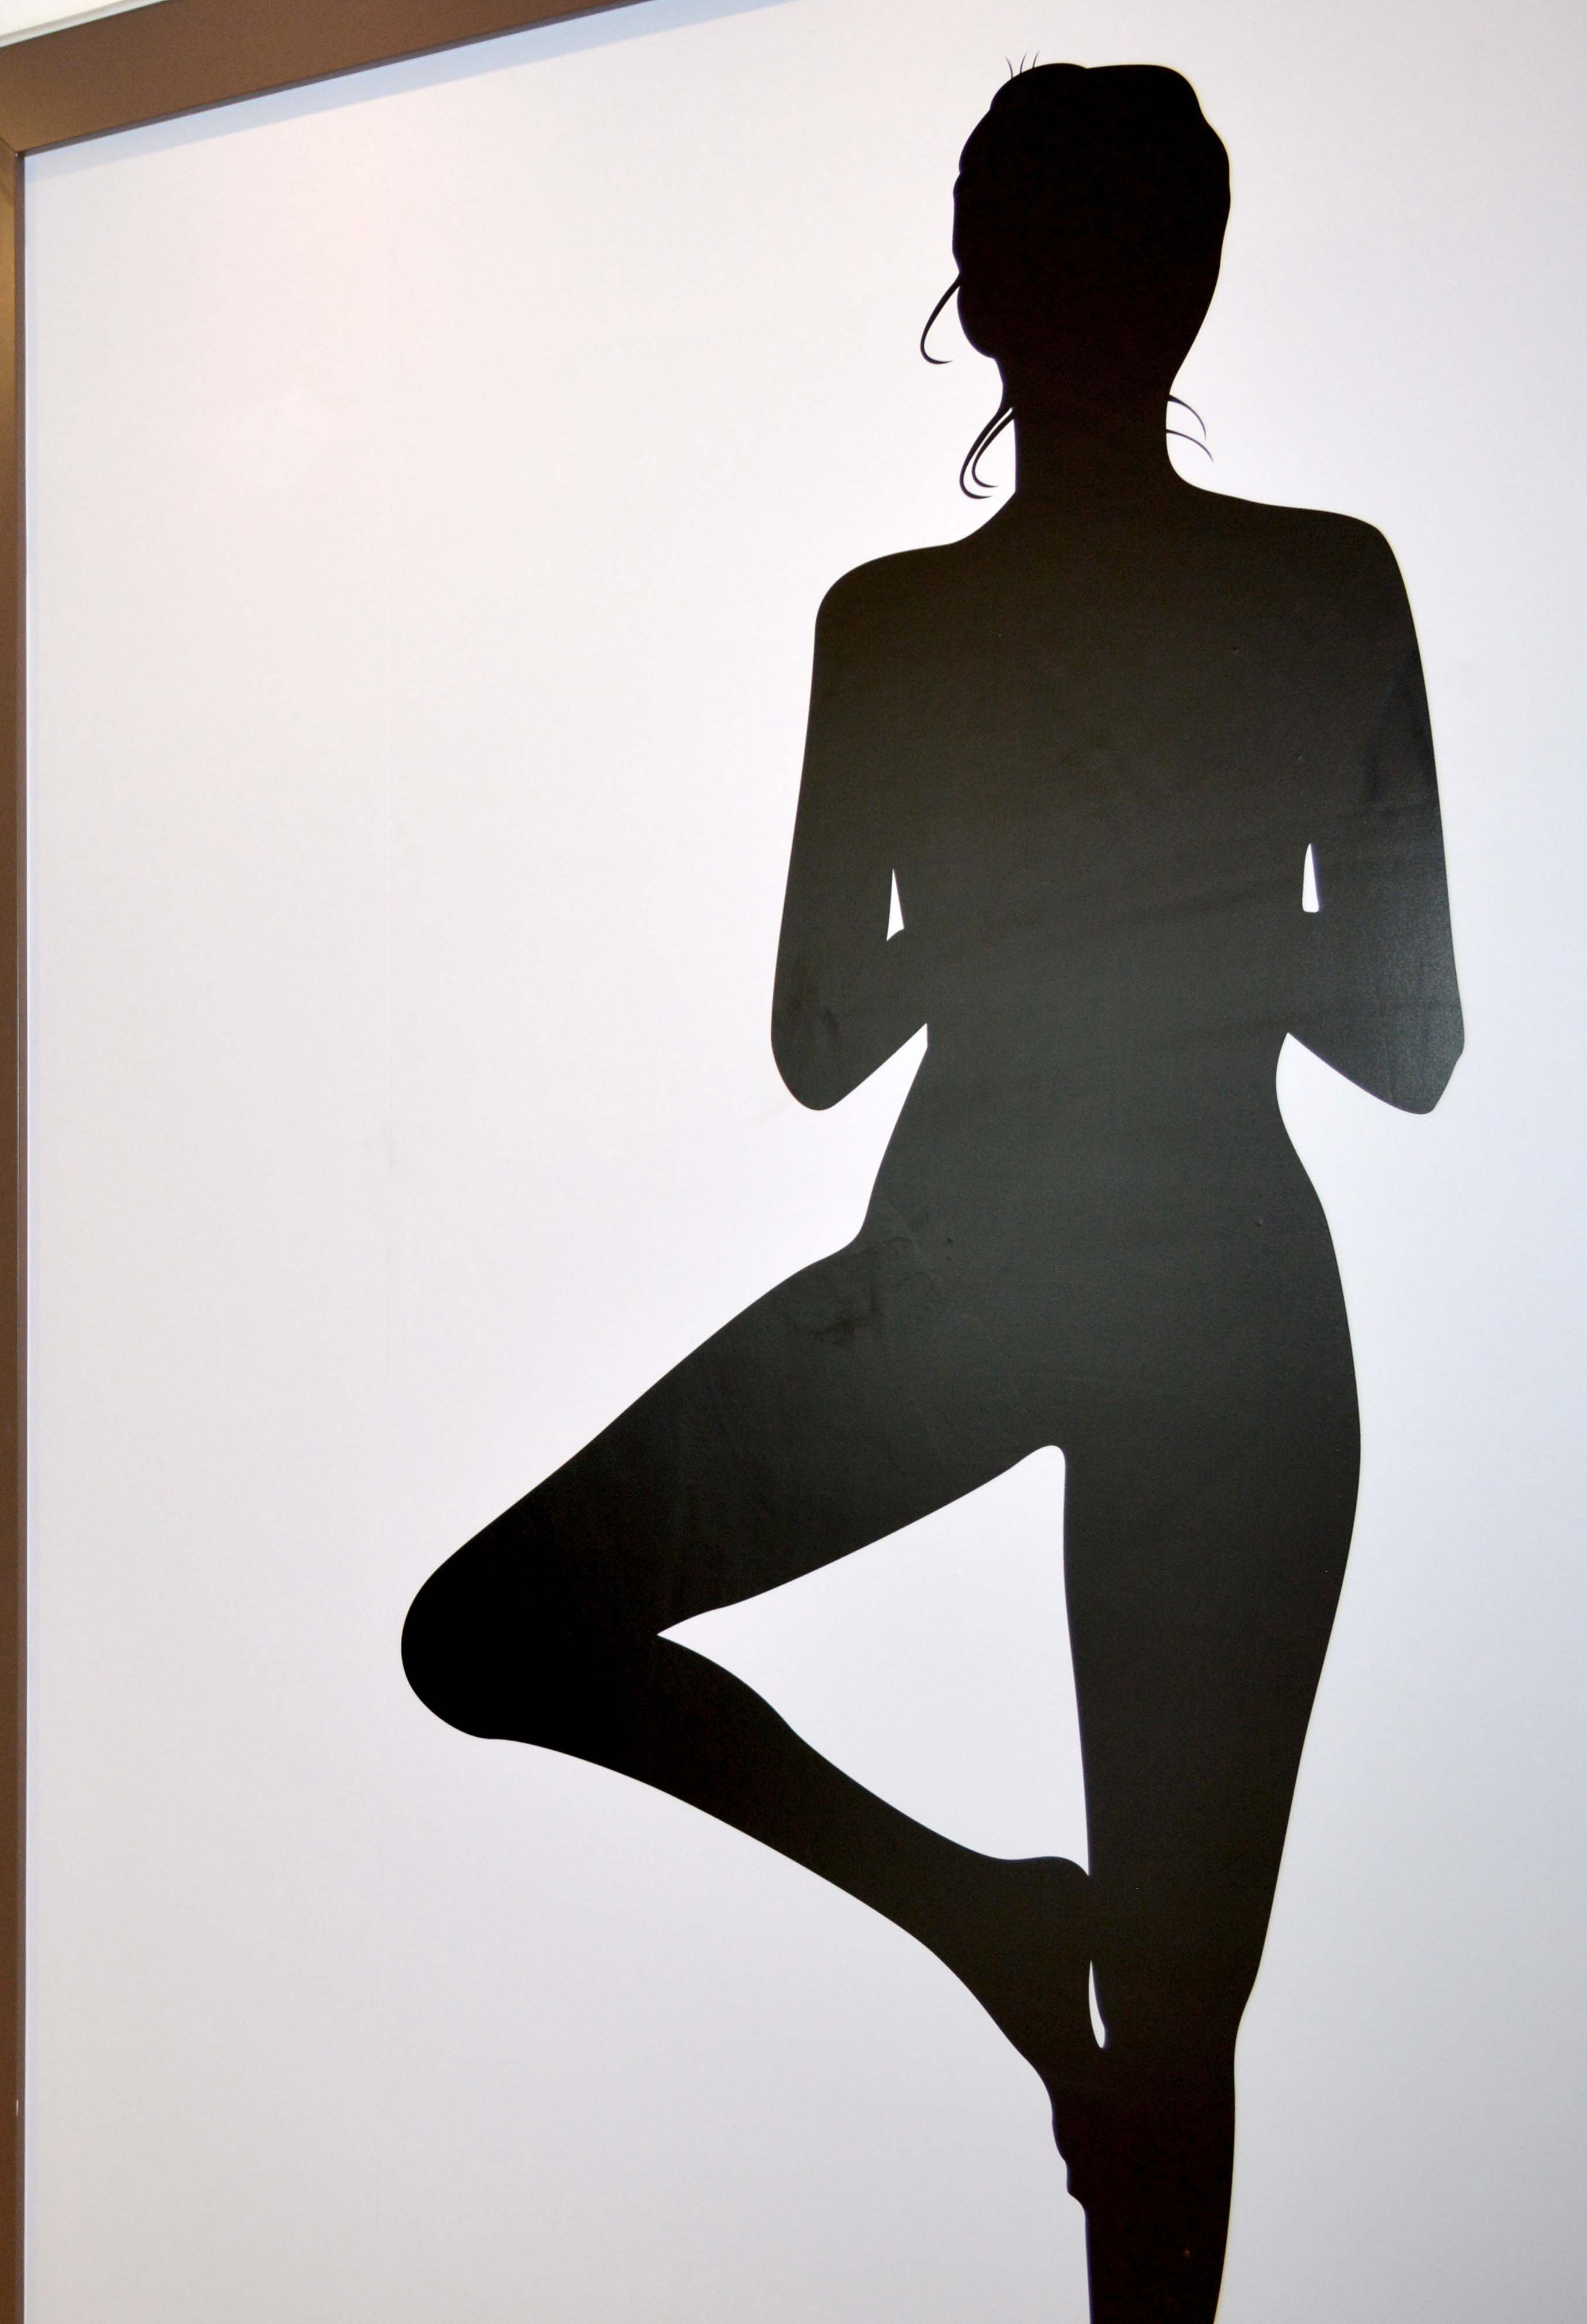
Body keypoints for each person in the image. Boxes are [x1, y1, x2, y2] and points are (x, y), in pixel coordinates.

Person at [400, 63, 1460, 2324]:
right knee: (483, 1631)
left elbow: (1414, 1045)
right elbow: (825, 1039)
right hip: (1001, 1283)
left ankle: (994, 1923)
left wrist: (1095, 926)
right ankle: (981, 1909)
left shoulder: (1277, 586)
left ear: (981, 293)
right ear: (1175, 285)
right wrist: (1182, 922)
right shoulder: (922, 616)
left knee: (1174, 2028)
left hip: (1148, 1303)